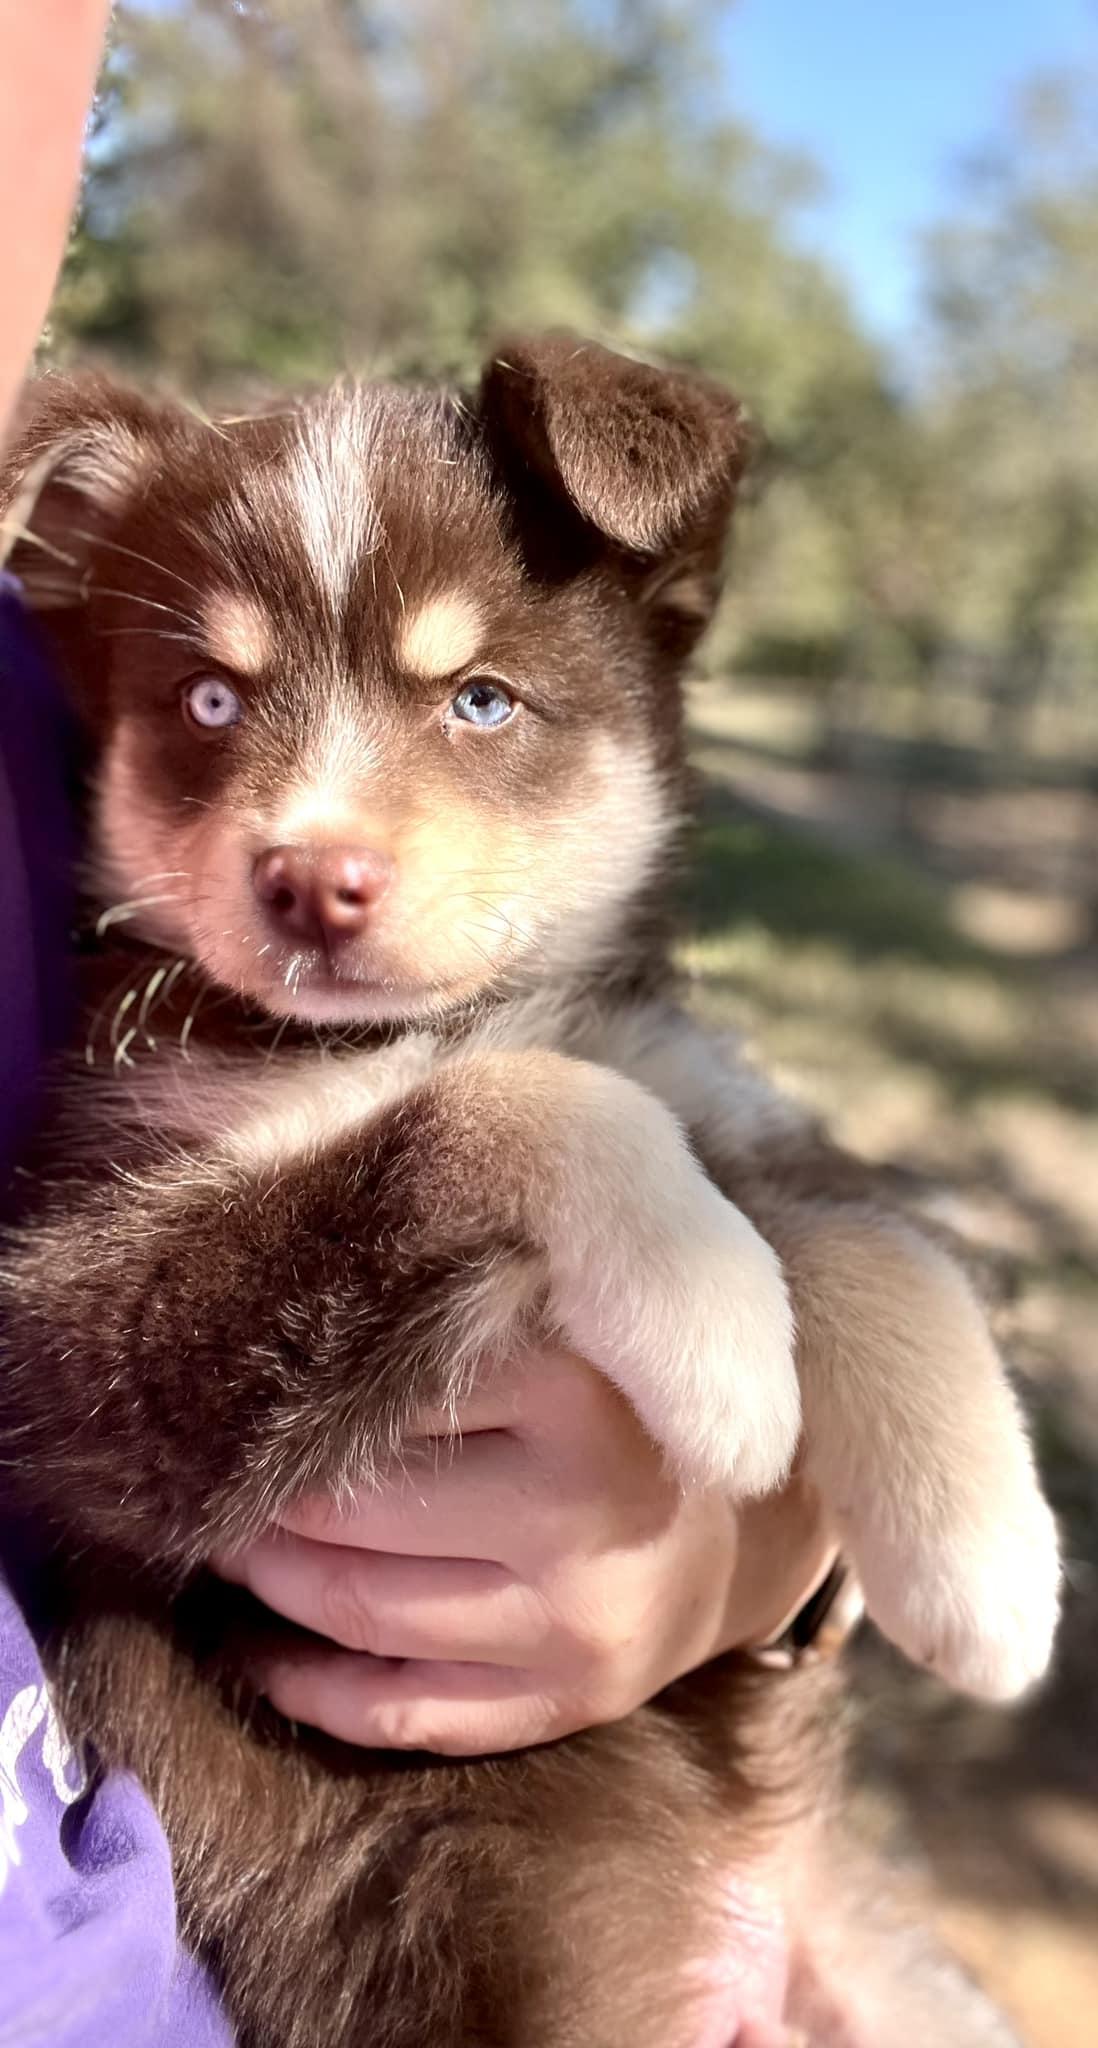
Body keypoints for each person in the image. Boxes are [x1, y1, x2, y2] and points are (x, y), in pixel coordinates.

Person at [0, 5, 835, 2037]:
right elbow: (93, 1374)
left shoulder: (44, 711)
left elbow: (766, 1381)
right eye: (210, 705)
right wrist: (522, 1154)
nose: (318, 848)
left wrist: (775, 1556)